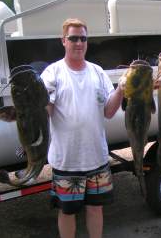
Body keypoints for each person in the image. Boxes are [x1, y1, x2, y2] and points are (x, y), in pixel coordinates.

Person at [41, 18, 124, 238]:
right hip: (66, 160)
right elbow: (45, 111)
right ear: (63, 41)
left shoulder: (97, 72)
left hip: (96, 157)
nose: (79, 43)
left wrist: (121, 90)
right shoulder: (52, 73)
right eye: (74, 38)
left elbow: (108, 111)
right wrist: (39, 100)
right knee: (67, 212)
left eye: (83, 38)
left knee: (96, 208)